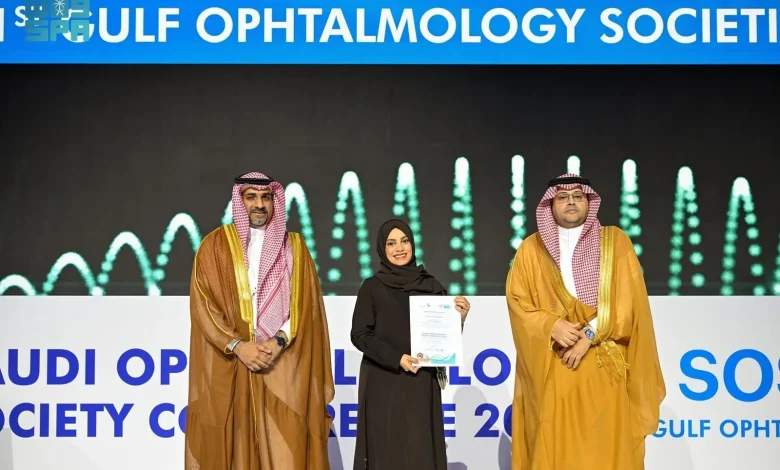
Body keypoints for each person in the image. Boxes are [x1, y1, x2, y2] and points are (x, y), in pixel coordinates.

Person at [505, 174, 666, 470]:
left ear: (589, 202)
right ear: (550, 204)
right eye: (563, 197)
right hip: (556, 364)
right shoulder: (531, 249)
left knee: (604, 449)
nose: (571, 202)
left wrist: (590, 333)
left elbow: (630, 303)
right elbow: (519, 302)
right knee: (557, 446)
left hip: (603, 365)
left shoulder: (615, 242)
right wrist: (551, 325)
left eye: (578, 196)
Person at [185, 171, 335, 470]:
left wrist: (278, 341)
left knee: (288, 449)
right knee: (234, 447)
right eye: (251, 197)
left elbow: (307, 307)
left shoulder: (295, 247)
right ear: (239, 201)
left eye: (266, 197)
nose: (259, 204)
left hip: (283, 361)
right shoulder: (214, 246)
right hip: (233, 362)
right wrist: (238, 346)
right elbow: (204, 304)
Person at [350, 218, 472, 470]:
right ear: (382, 249)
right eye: (391, 243)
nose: (399, 248)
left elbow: (442, 339)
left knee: (420, 450)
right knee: (387, 451)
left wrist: (458, 320)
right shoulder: (372, 287)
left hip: (421, 382)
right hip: (384, 381)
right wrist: (397, 358)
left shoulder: (432, 286)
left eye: (404, 241)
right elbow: (360, 334)